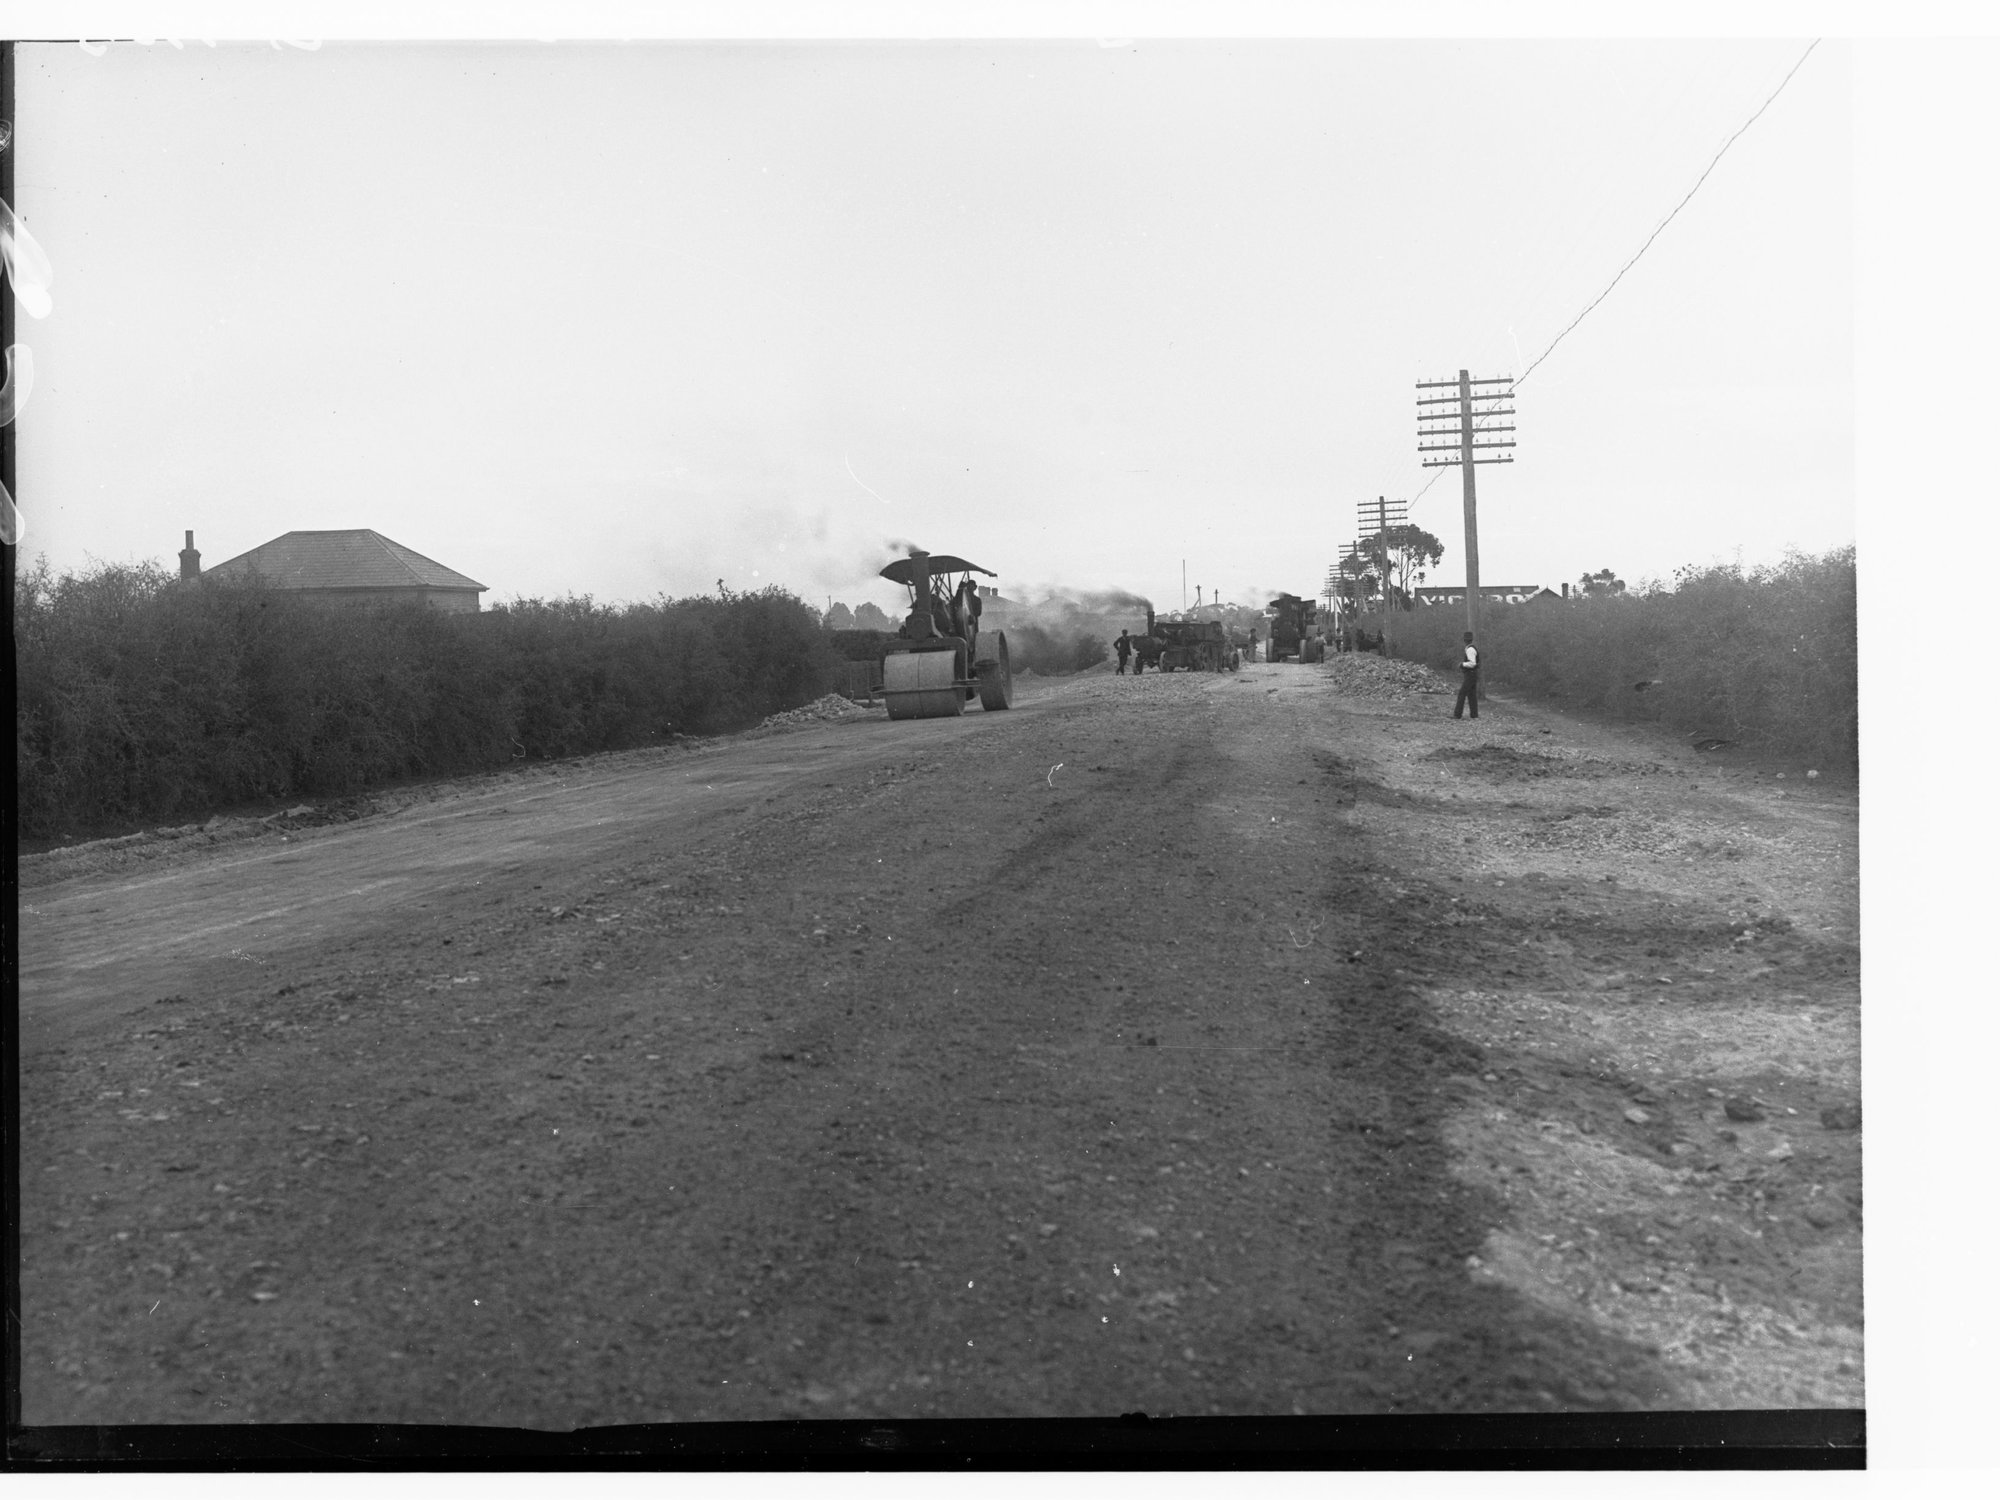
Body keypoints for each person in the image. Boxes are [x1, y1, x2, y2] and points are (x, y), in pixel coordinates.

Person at [1454, 631, 1480, 720]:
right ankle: (1474, 715)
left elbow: (1472, 663)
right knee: (1471, 695)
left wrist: (1462, 664)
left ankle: (1457, 714)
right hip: (1473, 674)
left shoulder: (1470, 650)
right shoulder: (1471, 648)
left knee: (1462, 693)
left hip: (1470, 674)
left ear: (1464, 640)